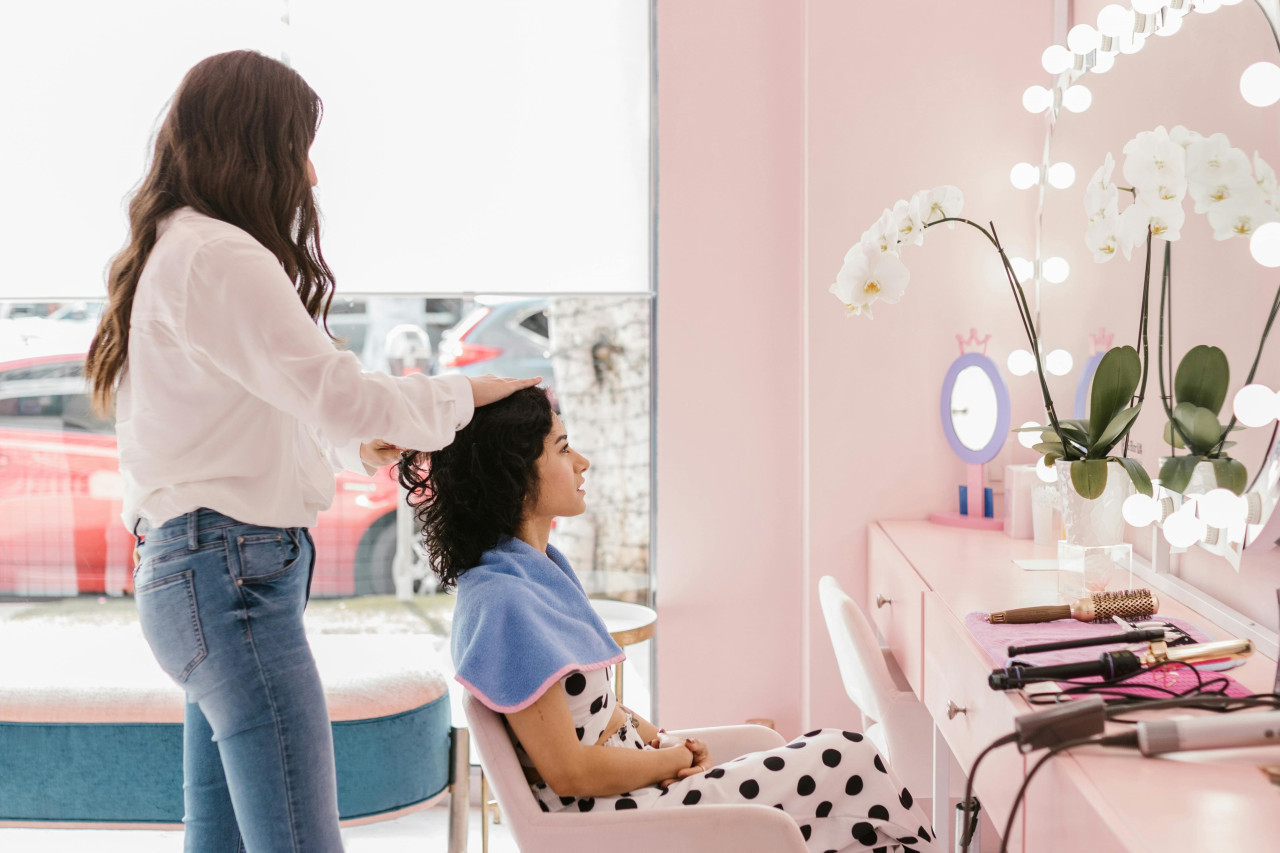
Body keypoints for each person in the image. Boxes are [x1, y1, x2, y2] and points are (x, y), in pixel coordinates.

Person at [85, 50, 539, 853]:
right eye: (299, 146)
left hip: (202, 572)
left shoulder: (181, 248)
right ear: (255, 146)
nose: (312, 174)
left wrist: (361, 438)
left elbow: (281, 407)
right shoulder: (219, 256)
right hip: (228, 575)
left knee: (224, 839)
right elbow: (339, 392)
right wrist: (469, 392)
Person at [397, 388, 939, 853]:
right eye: (563, 450)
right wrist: (669, 759)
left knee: (852, 783)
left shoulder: (531, 571)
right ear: (513, 477)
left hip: (641, 792)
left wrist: (664, 741)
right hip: (617, 819)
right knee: (845, 757)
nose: (582, 463)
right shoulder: (506, 603)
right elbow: (570, 771)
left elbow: (592, 712)